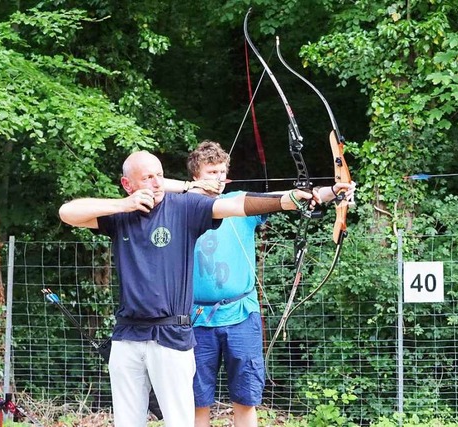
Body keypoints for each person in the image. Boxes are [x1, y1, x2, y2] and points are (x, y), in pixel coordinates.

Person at [58, 150, 315, 427]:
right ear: (127, 184)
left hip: (171, 335)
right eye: (147, 177)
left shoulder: (184, 207)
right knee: (127, 420)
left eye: (159, 175)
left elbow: (235, 205)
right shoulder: (119, 216)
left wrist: (287, 200)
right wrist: (124, 204)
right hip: (127, 334)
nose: (156, 182)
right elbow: (67, 213)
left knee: (180, 420)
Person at [164, 141, 355, 427]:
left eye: (221, 171)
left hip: (241, 316)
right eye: (211, 172)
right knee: (195, 401)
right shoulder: (178, 206)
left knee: (246, 398)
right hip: (196, 320)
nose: (218, 177)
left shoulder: (240, 202)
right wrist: (188, 189)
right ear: (195, 175)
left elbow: (293, 197)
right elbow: (148, 186)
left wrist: (332, 192)